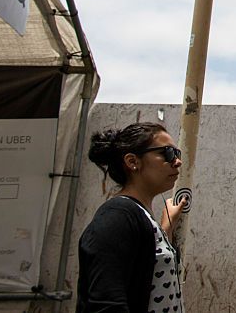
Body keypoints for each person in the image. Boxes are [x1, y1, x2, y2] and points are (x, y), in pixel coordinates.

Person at [77, 122, 187, 313]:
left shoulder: (139, 216)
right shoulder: (117, 217)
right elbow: (106, 304)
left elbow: (149, 264)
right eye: (167, 153)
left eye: (177, 154)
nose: (177, 161)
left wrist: (165, 227)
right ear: (132, 161)